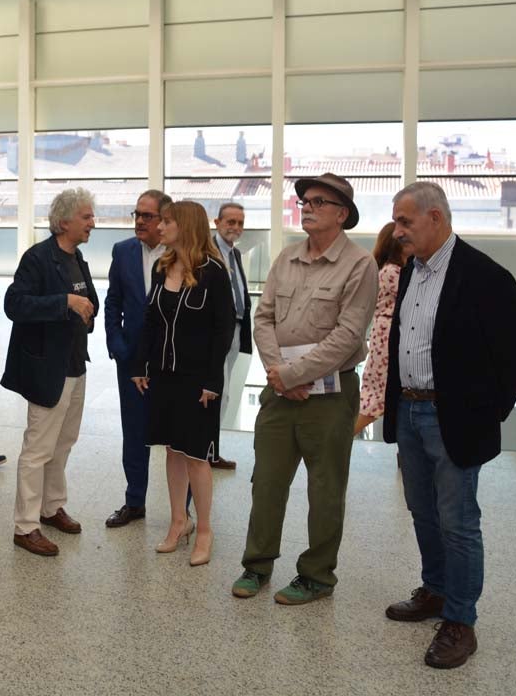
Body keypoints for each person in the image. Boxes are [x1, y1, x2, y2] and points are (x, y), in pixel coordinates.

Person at [382, 182, 516, 669]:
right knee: (422, 511)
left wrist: (489, 412)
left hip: (454, 419)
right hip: (409, 410)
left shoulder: (486, 275)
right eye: (396, 221)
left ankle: (461, 621)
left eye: (405, 221)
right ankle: (436, 590)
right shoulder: (412, 271)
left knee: (458, 521)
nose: (397, 231)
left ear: (436, 218)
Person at [232, 173, 377, 605]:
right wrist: (279, 372)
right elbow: (263, 318)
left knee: (325, 489)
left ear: (342, 213)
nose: (307, 207)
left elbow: (348, 335)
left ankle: (316, 576)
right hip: (281, 391)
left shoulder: (359, 265)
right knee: (267, 482)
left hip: (330, 396)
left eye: (318, 202)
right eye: (304, 201)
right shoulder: (287, 258)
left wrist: (294, 375)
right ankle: (257, 565)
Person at [130, 200, 233, 565]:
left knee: (196, 456)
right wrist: (140, 364)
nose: (160, 227)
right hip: (163, 376)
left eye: (167, 221)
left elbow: (223, 330)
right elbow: (150, 320)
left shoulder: (213, 273)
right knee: (172, 451)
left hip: (197, 380)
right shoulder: (162, 266)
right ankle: (179, 521)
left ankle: (204, 529)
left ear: (185, 226)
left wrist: (212, 380)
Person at [1, 187, 98, 556]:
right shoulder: (38, 258)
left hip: (76, 364)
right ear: (64, 221)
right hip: (47, 368)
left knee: (63, 443)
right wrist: (65, 302)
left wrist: (85, 309)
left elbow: (88, 301)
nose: (92, 223)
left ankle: (51, 507)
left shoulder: (78, 257)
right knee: (38, 449)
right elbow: (14, 304)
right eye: (86, 217)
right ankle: (25, 527)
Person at [103, 189, 171, 528]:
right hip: (131, 359)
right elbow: (113, 301)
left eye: (147, 216)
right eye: (137, 214)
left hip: (171, 361)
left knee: (177, 437)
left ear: (164, 219)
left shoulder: (180, 252)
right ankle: (134, 502)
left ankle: (182, 511)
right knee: (134, 432)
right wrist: (117, 344)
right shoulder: (123, 251)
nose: (140, 221)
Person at [354, 221, 406, 436]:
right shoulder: (394, 272)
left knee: (377, 397)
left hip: (383, 336)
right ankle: (337, 443)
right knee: (377, 398)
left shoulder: (385, 270)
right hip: (389, 339)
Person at [211, 202, 250, 467]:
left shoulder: (234, 253)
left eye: (240, 223)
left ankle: (211, 449)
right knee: (218, 392)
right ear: (217, 223)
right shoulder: (208, 251)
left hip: (235, 329)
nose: (236, 227)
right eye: (230, 222)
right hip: (217, 333)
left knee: (223, 393)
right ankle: (206, 451)